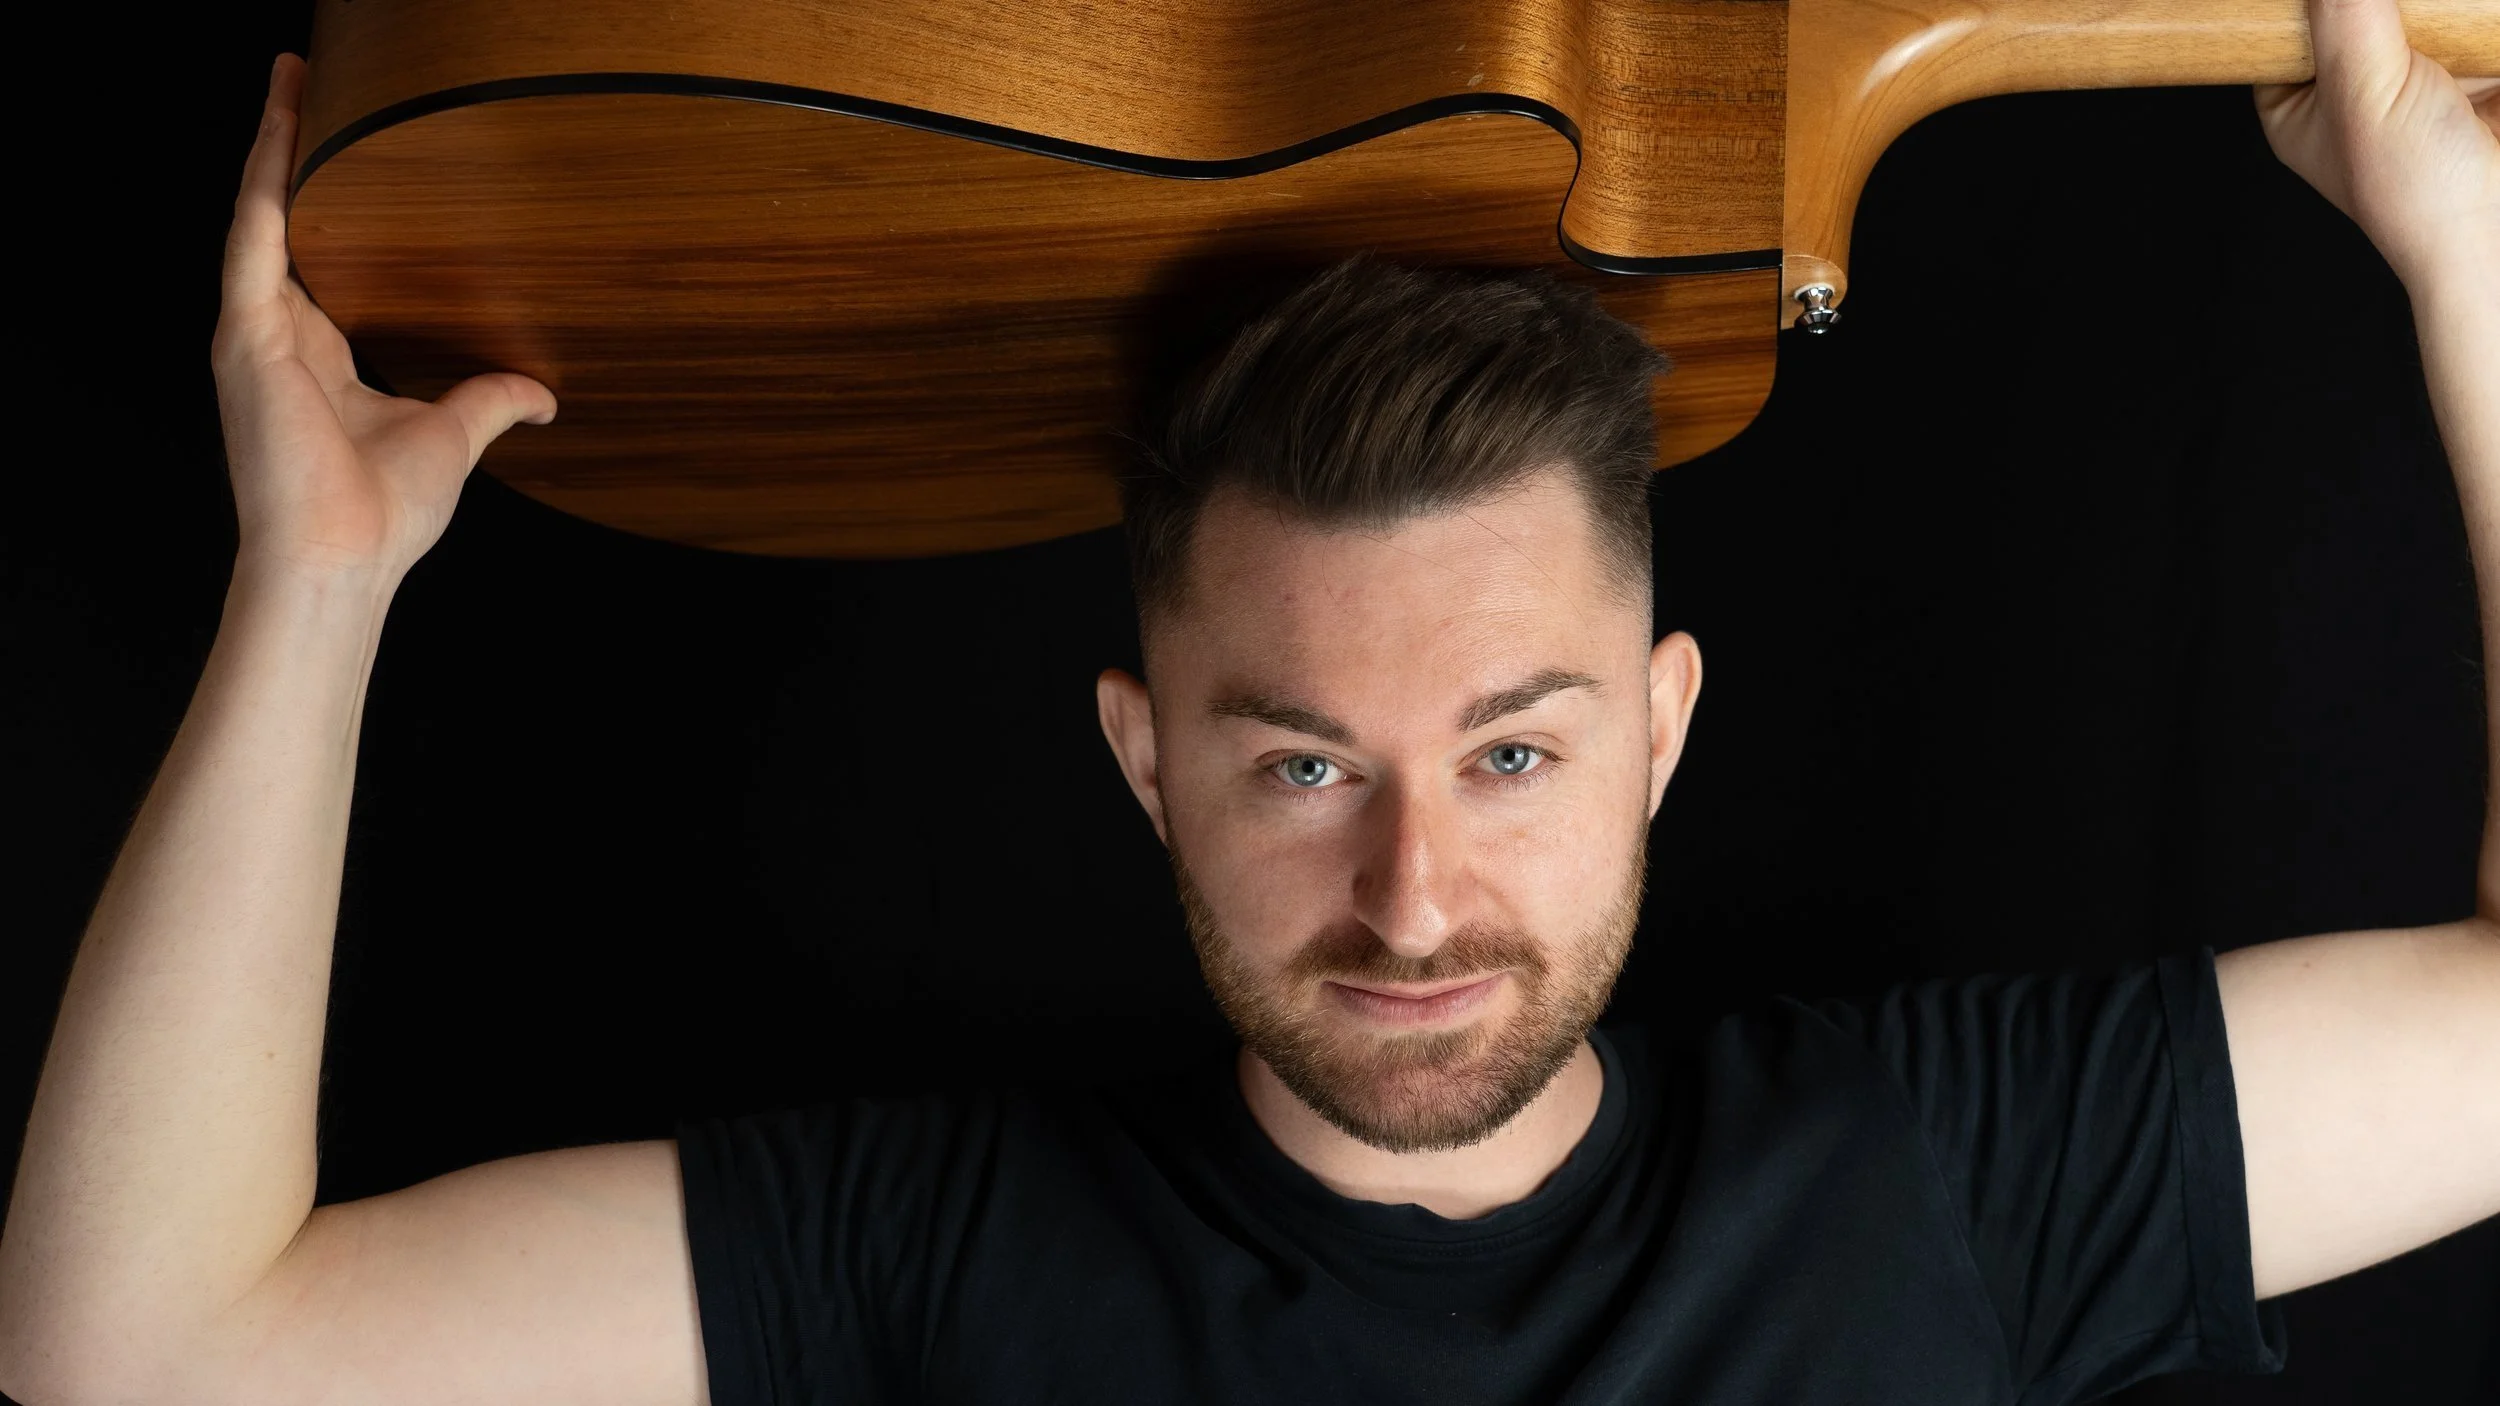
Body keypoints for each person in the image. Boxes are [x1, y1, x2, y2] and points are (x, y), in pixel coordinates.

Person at [2, 0, 2494, 1401]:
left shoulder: (1956, 1167)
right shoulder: (927, 1256)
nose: (1411, 894)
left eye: (1508, 752)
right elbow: (138, 1351)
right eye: (1303, 761)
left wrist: (2469, 260)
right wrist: (316, 583)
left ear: (1655, 732)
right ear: (1142, 759)